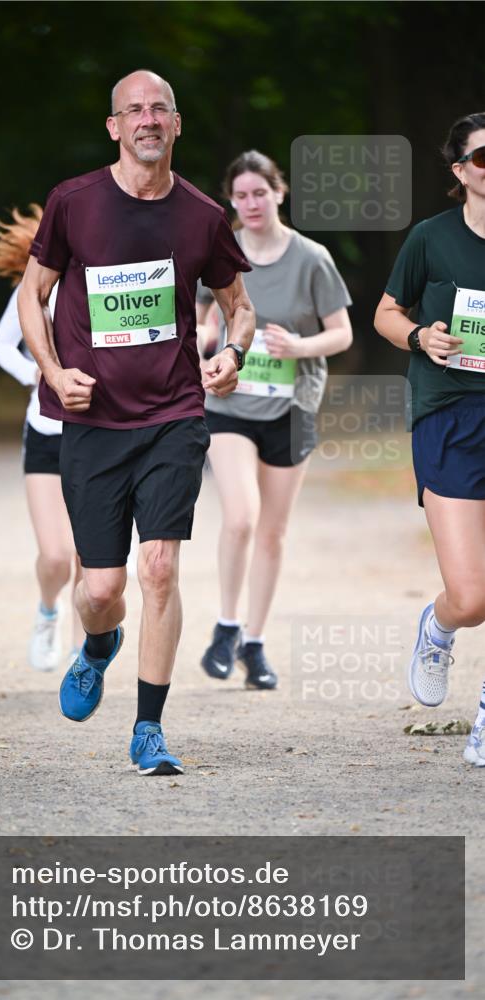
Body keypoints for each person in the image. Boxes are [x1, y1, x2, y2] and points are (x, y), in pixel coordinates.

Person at [18, 69, 255, 776]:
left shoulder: (202, 216)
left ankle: (148, 727)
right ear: (114, 127)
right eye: (134, 110)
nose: (147, 119)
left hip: (172, 413)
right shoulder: (74, 203)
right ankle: (96, 647)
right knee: (100, 589)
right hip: (93, 421)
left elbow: (238, 303)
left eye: (160, 109)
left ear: (176, 125)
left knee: (158, 568)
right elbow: (33, 297)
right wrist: (55, 372)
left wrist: (234, 351)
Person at [197, 151, 352, 688]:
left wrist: (298, 345)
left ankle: (255, 645)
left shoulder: (311, 257)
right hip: (229, 404)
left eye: (259, 193)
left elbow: (343, 332)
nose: (250, 204)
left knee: (272, 531)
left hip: (291, 407)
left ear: (278, 194)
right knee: (240, 516)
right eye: (239, 196)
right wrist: (205, 345)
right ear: (231, 202)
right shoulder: (222, 250)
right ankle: (225, 624)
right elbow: (200, 320)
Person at [374, 112, 485, 768]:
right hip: (449, 415)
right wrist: (419, 337)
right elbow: (387, 314)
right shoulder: (429, 239)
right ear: (460, 171)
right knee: (472, 596)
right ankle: (439, 628)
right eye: (483, 158)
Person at [0, 204, 83, 670]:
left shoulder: (100, 285)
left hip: (99, 432)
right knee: (56, 556)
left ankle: (86, 651)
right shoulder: (34, 290)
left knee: (93, 556)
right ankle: (48, 611)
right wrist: (39, 375)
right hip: (46, 430)